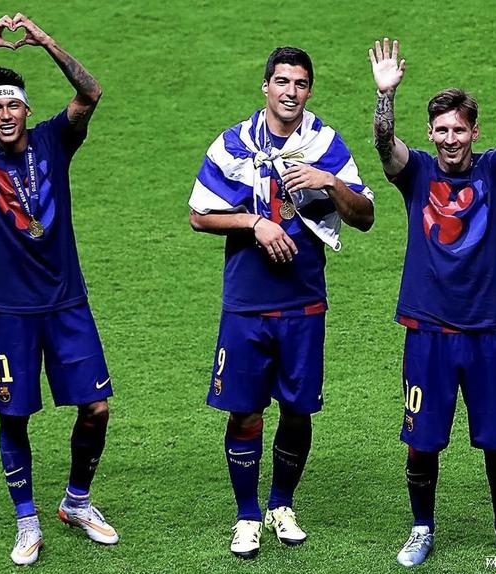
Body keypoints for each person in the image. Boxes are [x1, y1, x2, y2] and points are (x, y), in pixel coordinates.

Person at [0, 14, 118, 565]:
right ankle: (27, 521)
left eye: (13, 105)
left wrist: (45, 41)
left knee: (97, 408)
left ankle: (76, 502)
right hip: (10, 310)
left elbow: (90, 92)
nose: (6, 114)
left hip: (67, 302)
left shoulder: (54, 140)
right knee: (14, 416)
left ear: (27, 110)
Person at [189, 46, 374, 559]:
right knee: (244, 411)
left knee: (297, 409)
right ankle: (247, 515)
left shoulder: (325, 144)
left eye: (300, 83)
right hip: (246, 303)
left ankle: (281, 505)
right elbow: (200, 215)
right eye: (282, 81)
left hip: (303, 301)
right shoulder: (233, 144)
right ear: (266, 86)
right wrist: (255, 222)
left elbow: (364, 215)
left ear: (309, 90)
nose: (291, 92)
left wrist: (328, 181)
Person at [369, 38, 496, 566]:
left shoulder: (494, 172)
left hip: (486, 330)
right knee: (422, 440)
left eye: (459, 130)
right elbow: (384, 145)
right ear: (430, 133)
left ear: (475, 132)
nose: (450, 139)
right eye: (441, 130)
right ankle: (421, 528)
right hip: (428, 331)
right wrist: (385, 96)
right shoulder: (417, 173)